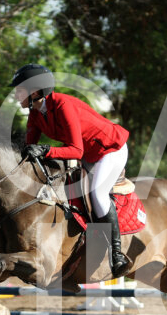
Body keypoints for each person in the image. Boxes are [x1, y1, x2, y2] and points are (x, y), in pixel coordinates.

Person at [9, 63, 130, 278]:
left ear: (34, 92)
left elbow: (75, 150)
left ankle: (117, 254)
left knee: (97, 193)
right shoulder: (35, 113)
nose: (16, 95)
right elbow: (28, 148)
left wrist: (46, 150)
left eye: (19, 90)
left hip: (110, 149)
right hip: (89, 155)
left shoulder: (62, 104)